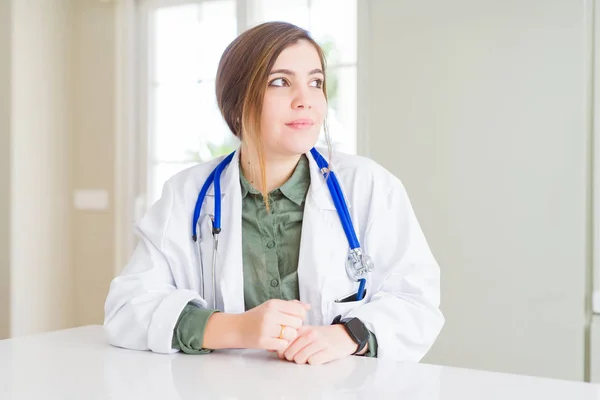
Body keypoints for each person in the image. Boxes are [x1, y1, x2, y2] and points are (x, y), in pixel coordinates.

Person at [104, 21, 444, 365]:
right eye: (280, 82)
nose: (305, 100)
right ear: (236, 101)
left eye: (316, 82)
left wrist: (347, 336)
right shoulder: (187, 195)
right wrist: (235, 329)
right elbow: (127, 308)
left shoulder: (370, 187)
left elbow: (417, 303)